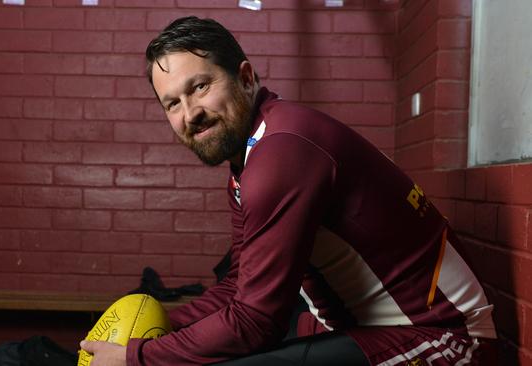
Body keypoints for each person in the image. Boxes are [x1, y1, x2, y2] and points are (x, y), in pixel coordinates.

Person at [80, 16, 497, 365]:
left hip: (445, 339)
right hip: (366, 329)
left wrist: (138, 357)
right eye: (172, 104)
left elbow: (255, 321)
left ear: (245, 77)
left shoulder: (281, 152)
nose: (190, 114)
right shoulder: (250, 158)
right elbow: (239, 284)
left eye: (200, 87)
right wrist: (158, 325)